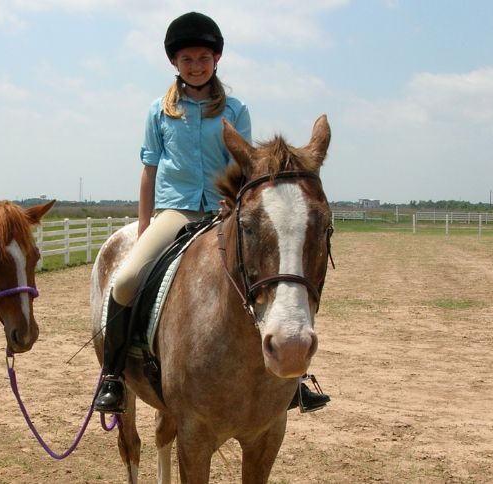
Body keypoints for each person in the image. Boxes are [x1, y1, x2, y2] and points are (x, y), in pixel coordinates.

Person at [93, 11, 329, 414]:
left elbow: (248, 168)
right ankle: (114, 376)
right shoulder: (159, 112)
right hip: (176, 212)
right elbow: (149, 171)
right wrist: (146, 222)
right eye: (188, 60)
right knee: (126, 281)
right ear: (175, 64)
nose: (196, 66)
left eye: (203, 58)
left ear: (216, 60)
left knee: (275, 273)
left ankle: (291, 381)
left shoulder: (236, 110)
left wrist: (235, 207)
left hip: (223, 213)